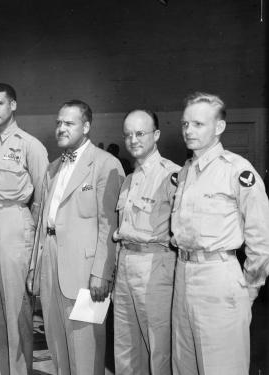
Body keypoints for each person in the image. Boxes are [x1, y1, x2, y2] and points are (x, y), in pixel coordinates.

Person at [171, 92, 269, 375]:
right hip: (183, 274)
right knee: (184, 366)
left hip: (218, 277)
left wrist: (250, 289)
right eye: (185, 124)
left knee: (222, 367)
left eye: (198, 124)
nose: (189, 130)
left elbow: (261, 238)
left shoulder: (237, 170)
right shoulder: (187, 171)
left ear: (219, 127)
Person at [27, 100, 124, 374]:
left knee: (85, 349)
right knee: (57, 346)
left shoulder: (106, 164)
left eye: (69, 123)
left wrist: (102, 272)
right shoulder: (52, 168)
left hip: (85, 271)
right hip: (51, 262)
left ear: (87, 126)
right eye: (58, 122)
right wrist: (35, 267)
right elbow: (41, 224)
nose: (61, 128)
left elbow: (109, 225)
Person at [0, 83, 48, 375]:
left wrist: (36, 246)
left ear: (13, 105)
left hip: (14, 222)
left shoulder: (30, 145)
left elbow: (42, 199)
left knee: (16, 307)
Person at [112, 110, 180, 375]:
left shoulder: (172, 175)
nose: (133, 140)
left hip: (155, 267)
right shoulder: (129, 179)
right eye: (128, 134)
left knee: (159, 347)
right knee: (125, 347)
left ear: (157, 135)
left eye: (140, 133)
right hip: (126, 264)